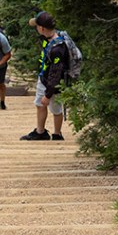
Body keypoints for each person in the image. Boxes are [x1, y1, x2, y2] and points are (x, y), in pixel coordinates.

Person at [20, 10, 68, 141]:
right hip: (44, 78)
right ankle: (40, 131)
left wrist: (48, 94)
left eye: (36, 26)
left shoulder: (57, 48)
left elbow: (56, 73)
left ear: (41, 28)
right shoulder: (48, 39)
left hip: (55, 84)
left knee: (56, 109)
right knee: (39, 104)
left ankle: (57, 134)